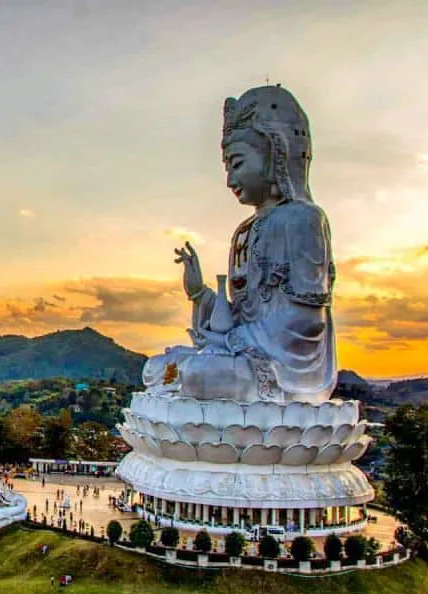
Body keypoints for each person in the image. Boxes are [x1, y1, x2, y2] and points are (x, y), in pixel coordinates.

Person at [143, 85, 336, 405]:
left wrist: (231, 340)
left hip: (284, 370)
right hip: (240, 353)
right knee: (158, 367)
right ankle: (186, 384)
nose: (230, 180)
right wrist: (200, 294)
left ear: (277, 154)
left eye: (237, 164)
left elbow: (306, 323)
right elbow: (239, 315)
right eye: (227, 167)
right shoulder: (245, 231)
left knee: (202, 375)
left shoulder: (303, 220)